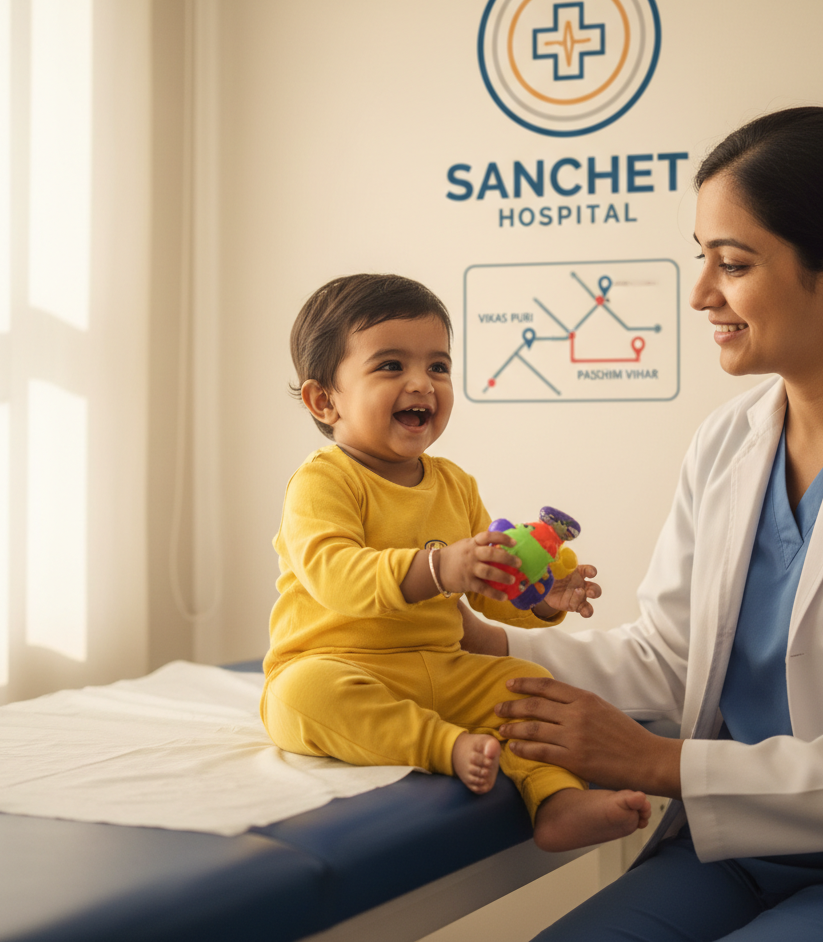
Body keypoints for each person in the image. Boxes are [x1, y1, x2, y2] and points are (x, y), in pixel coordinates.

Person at [460, 107, 823, 940]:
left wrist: (653, 761)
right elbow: (668, 656)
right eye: (704, 259)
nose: (700, 294)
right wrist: (486, 643)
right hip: (727, 851)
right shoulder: (730, 441)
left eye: (732, 263)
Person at [260, 273, 652, 851]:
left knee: (532, 689)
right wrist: (439, 568)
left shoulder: (454, 483)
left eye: (438, 367)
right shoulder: (323, 482)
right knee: (301, 695)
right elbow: (335, 576)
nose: (422, 383)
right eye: (391, 366)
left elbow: (488, 587)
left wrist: (541, 597)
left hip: (443, 667)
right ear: (325, 400)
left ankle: (557, 800)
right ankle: (442, 745)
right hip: (345, 663)